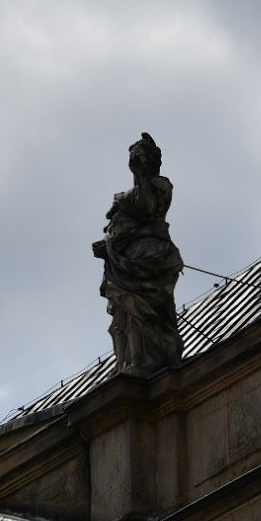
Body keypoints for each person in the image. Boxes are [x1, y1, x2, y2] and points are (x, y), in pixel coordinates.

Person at [93, 133, 184, 372]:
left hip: (150, 258)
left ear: (151, 162)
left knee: (141, 310)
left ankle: (141, 361)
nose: (136, 161)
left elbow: (148, 208)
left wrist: (142, 176)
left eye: (140, 156)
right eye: (134, 157)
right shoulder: (124, 195)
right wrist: (107, 245)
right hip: (121, 261)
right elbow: (116, 226)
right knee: (122, 315)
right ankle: (123, 365)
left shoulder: (160, 185)